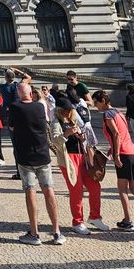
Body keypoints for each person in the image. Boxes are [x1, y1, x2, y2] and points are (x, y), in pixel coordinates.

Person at [8, 82, 65, 245]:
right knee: (49, 191)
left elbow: (11, 127)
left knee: (30, 191)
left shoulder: (15, 108)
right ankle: (56, 232)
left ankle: (34, 233)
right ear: (31, 93)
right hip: (43, 155)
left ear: (19, 94)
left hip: (26, 157)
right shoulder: (40, 107)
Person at [92, 89, 134, 232]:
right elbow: (123, 133)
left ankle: (128, 220)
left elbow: (116, 133)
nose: (95, 105)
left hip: (124, 154)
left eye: (96, 102)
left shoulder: (108, 115)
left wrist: (116, 154)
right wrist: (111, 148)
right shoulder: (119, 113)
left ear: (102, 101)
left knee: (122, 190)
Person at [51, 96, 108, 234]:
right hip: (68, 159)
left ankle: (95, 217)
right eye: (67, 110)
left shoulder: (73, 119)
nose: (69, 112)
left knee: (95, 186)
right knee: (76, 191)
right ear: (60, 110)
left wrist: (82, 137)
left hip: (82, 156)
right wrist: (67, 133)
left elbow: (83, 138)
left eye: (70, 110)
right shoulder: (56, 122)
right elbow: (55, 140)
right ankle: (77, 221)